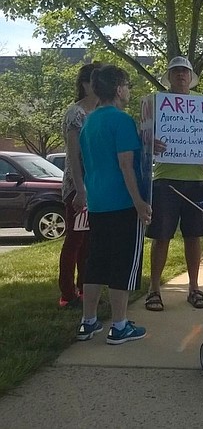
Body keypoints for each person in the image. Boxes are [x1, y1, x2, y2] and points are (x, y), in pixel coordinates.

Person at [76, 65, 151, 344]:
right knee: (122, 265)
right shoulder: (122, 120)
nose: (129, 90)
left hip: (97, 202)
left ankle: (89, 321)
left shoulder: (89, 121)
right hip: (122, 203)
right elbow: (125, 164)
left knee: (95, 262)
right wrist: (140, 203)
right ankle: (119, 326)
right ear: (119, 89)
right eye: (128, 85)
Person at [145, 56, 203, 312]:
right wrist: (150, 142)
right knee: (160, 236)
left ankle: (194, 287)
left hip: (197, 180)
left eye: (185, 71)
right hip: (165, 179)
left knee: (194, 237)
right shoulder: (155, 102)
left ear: (191, 76)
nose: (181, 75)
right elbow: (141, 135)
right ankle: (154, 289)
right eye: (175, 71)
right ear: (169, 76)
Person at [57, 62, 101, 309]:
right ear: (85, 84)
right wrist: (80, 190)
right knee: (74, 239)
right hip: (77, 187)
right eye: (94, 80)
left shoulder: (101, 112)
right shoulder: (75, 113)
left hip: (97, 185)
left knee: (90, 241)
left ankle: (85, 287)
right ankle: (67, 292)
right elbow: (73, 156)